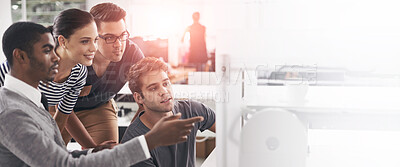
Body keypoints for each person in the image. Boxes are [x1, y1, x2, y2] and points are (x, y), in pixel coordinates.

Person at [0, 21, 203, 166]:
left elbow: (56, 154)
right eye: (47, 51)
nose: (56, 58)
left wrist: (92, 151)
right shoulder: (12, 114)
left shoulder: (31, 101)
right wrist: (150, 141)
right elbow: (61, 163)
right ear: (20, 57)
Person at [0, 8, 101, 148]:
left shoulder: (79, 74)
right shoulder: (32, 63)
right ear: (63, 41)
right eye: (85, 41)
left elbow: (61, 119)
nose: (94, 48)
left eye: (95, 40)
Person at [69, 2, 144, 146]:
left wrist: (125, 144)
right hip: (61, 110)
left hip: (99, 107)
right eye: (109, 37)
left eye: (122, 35)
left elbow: (146, 100)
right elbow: (60, 105)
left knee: (108, 160)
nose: (119, 44)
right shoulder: (74, 56)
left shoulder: (132, 53)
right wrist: (92, 148)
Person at [121, 57, 216, 167]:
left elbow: (230, 130)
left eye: (166, 84)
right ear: (139, 98)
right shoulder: (134, 144)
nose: (164, 91)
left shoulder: (191, 110)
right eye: (153, 88)